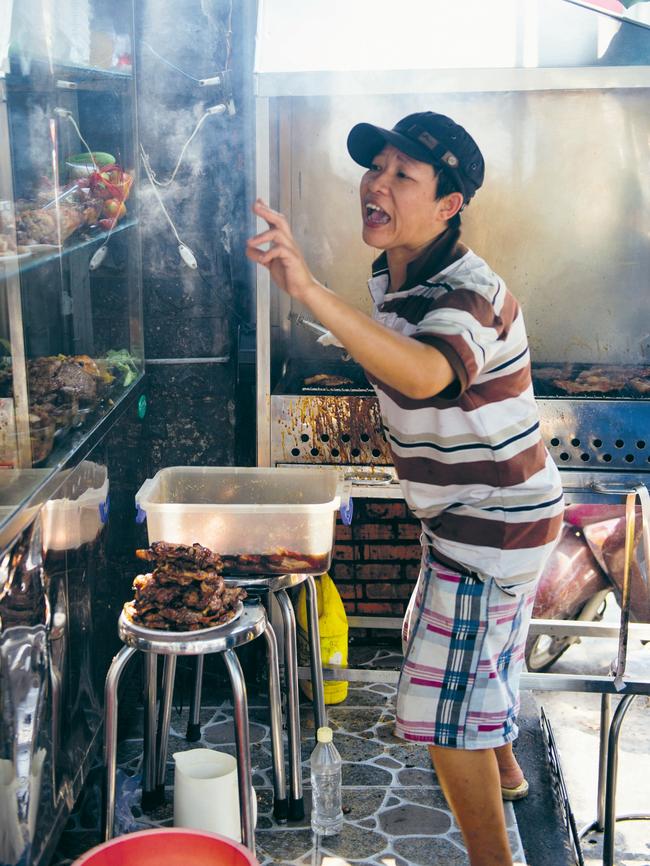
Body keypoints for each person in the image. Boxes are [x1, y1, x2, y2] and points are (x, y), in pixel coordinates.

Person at [246, 111, 564, 866]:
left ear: (449, 205)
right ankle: (509, 770)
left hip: (493, 522)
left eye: (402, 175)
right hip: (471, 517)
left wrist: (307, 289)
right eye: (375, 167)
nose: (376, 184)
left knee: (439, 712)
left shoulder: (467, 293)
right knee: (470, 655)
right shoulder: (397, 274)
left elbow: (426, 372)